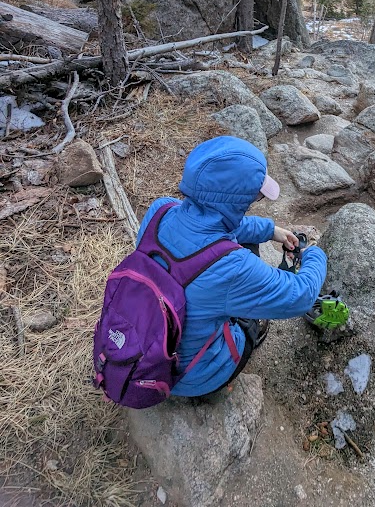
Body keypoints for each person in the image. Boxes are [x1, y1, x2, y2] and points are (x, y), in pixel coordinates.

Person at [136, 135, 327, 399]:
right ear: (237, 203)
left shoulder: (160, 210)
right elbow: (302, 295)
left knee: (239, 249)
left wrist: (271, 230)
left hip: (146, 343)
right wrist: (315, 253)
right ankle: (241, 341)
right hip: (190, 377)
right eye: (253, 198)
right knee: (248, 310)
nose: (254, 201)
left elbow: (210, 223)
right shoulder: (232, 266)